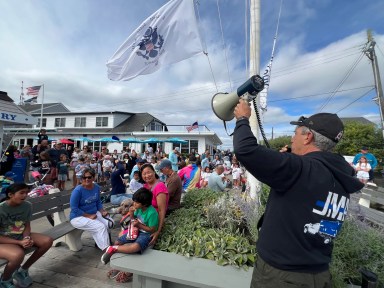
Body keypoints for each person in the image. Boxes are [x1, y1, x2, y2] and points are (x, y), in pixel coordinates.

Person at [233, 101, 364, 288]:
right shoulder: (340, 174)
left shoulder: (299, 169)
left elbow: (245, 150)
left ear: (308, 136)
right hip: (319, 274)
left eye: (295, 134)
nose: (291, 140)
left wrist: (242, 119)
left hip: (282, 276)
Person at [0, 183, 53, 288]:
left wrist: (26, 238)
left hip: (19, 235)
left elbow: (26, 225)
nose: (25, 195)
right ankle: (4, 280)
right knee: (17, 255)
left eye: (26, 193)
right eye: (21, 193)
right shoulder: (1, 209)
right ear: (10, 194)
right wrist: (19, 242)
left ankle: (22, 270)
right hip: (4, 240)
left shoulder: (27, 205)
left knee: (47, 241)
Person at [100, 187, 159, 265]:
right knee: (118, 241)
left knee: (135, 247)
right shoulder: (138, 208)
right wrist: (131, 214)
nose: (134, 204)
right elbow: (132, 220)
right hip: (136, 230)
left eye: (136, 202)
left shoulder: (152, 213)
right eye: (134, 201)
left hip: (146, 234)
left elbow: (152, 229)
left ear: (144, 204)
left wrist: (139, 225)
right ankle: (115, 255)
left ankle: (113, 249)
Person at [69, 168, 113, 252]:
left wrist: (102, 211)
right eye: (84, 177)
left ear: (93, 177)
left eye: (89, 177)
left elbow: (98, 202)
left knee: (109, 223)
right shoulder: (78, 190)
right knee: (100, 227)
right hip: (78, 217)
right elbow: (74, 208)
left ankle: (101, 243)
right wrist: (88, 216)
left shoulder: (96, 187)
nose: (86, 179)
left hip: (93, 213)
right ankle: (107, 250)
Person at [140, 163, 168, 245]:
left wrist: (158, 231)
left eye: (149, 172)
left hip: (153, 224)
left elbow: (161, 210)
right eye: (144, 174)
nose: (147, 175)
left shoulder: (160, 186)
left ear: (154, 172)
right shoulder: (145, 186)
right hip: (143, 221)